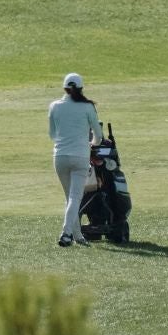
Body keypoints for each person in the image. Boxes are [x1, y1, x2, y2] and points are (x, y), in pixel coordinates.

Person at [49, 71, 103, 247]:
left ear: (65, 88)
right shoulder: (87, 107)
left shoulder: (55, 106)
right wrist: (91, 144)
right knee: (74, 197)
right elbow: (98, 136)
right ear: (81, 88)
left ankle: (78, 235)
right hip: (80, 156)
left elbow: (52, 134)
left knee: (70, 198)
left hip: (60, 157)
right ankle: (66, 234)